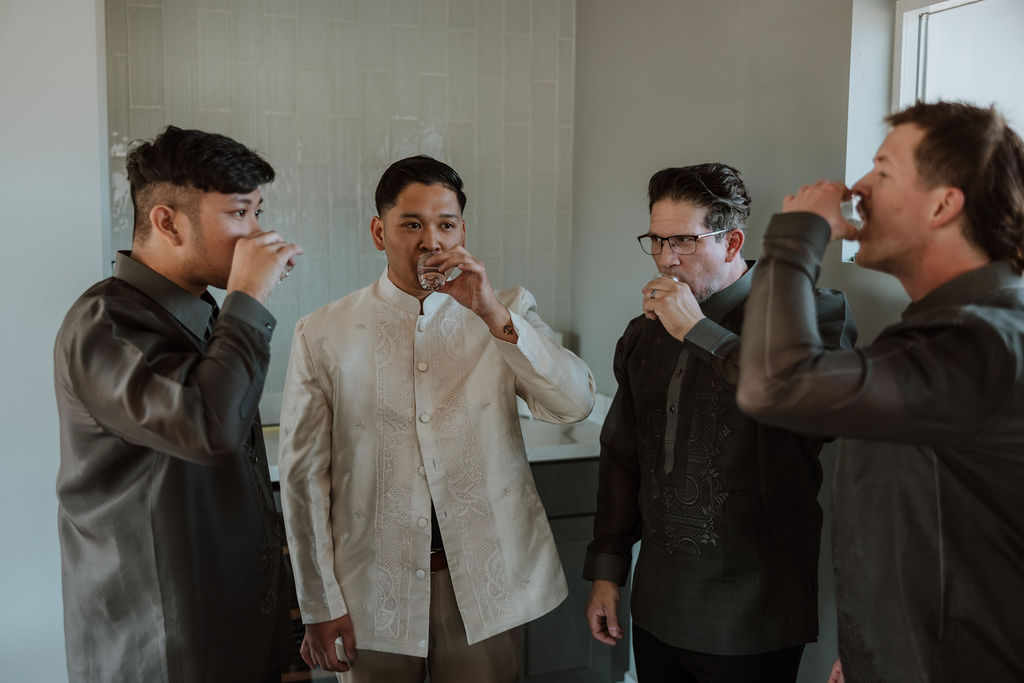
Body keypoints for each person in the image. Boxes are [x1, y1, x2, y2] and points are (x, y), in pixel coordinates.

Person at [278, 155, 596, 682]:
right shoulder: (323, 331)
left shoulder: (508, 309)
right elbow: (303, 478)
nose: (431, 241)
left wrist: (494, 314)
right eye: (412, 224)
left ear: (462, 231)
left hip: (483, 580)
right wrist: (318, 604)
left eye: (446, 224)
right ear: (380, 232)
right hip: (370, 588)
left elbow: (573, 404)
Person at [736, 101, 1024, 682]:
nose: (858, 187)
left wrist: (796, 237)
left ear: (944, 203)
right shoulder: (951, 328)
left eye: (884, 172)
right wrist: (869, 649)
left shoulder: (978, 341)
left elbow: (775, 384)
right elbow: (927, 516)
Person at [583, 163, 856, 683]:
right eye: (657, 241)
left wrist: (699, 331)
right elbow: (622, 454)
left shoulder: (813, 317)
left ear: (732, 242)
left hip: (754, 614)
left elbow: (813, 413)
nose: (666, 259)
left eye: (683, 241)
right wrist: (607, 570)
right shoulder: (644, 334)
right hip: (658, 605)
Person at [54, 125, 303, 682]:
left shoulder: (204, 316)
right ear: (167, 221)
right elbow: (209, 428)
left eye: (258, 212)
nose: (259, 235)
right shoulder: (106, 323)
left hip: (229, 623)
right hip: (158, 642)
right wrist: (248, 298)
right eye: (240, 214)